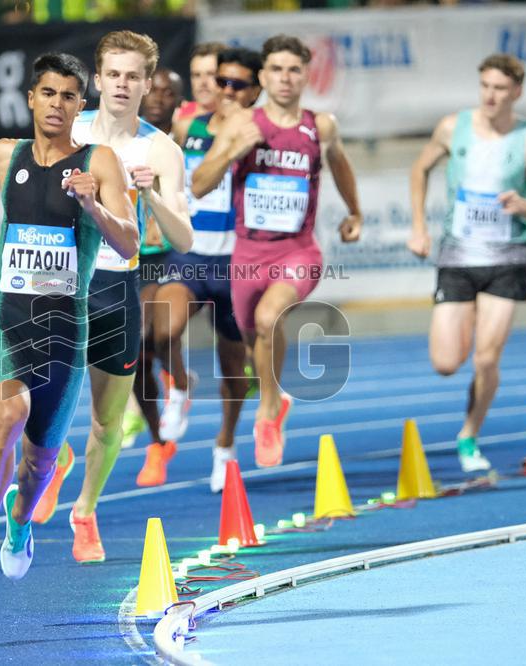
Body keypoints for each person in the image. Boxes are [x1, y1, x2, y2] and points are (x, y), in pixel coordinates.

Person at [0, 53, 138, 597]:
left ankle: (19, 520)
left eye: (69, 96)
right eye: (48, 93)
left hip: (64, 337)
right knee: (10, 411)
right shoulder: (4, 154)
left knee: (37, 468)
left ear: (80, 105)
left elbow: (129, 243)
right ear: (31, 98)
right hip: (4, 324)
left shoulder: (100, 162)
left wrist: (93, 206)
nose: (57, 104)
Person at [31, 30, 193, 563]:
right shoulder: (67, 126)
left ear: (147, 84)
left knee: (107, 420)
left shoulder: (160, 149)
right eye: (114, 75)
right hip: (56, 281)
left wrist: (150, 194)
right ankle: (54, 458)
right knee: (32, 395)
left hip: (115, 286)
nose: (122, 85)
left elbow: (183, 238)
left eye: (133, 76)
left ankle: (85, 512)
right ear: (97, 80)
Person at [192, 34, 362, 468]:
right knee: (256, 339)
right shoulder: (241, 124)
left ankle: (268, 412)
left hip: (299, 251)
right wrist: (234, 150)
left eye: (294, 70)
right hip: (248, 255)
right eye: (276, 70)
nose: (285, 78)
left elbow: (340, 165)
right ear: (263, 77)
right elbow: (198, 185)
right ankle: (276, 398)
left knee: (270, 318)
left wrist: (355, 212)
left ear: (305, 76)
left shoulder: (320, 126)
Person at [407, 53, 526, 473]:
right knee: (445, 363)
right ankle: (468, 325)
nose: (491, 95)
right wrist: (418, 227)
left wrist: (524, 204)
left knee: (486, 359)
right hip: (458, 255)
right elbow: (419, 169)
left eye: (500, 88)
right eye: (485, 86)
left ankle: (469, 434)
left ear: (517, 92)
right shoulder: (452, 127)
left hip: (508, 258)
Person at [140, 47, 263, 492]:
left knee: (234, 370)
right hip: (189, 256)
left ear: (251, 90)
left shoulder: (258, 132)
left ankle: (225, 445)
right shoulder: (186, 126)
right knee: (162, 329)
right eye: (212, 79)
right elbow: (164, 175)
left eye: (228, 81)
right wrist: (157, 213)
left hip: (236, 264)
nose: (218, 87)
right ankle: (179, 386)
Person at [120, 65, 186, 452]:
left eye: (168, 92)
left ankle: (180, 384)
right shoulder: (126, 139)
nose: (159, 98)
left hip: (173, 254)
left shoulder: (185, 142)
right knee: (136, 355)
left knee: (151, 334)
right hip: (132, 255)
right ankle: (158, 438)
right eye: (154, 90)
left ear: (179, 101)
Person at [175, 42, 225, 121]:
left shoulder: (241, 120)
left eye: (211, 74)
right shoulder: (176, 116)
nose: (203, 82)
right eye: (196, 75)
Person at [140, 67, 185, 136]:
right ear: (141, 95)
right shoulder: (125, 131)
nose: (158, 99)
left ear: (179, 102)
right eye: (152, 90)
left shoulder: (185, 138)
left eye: (168, 94)